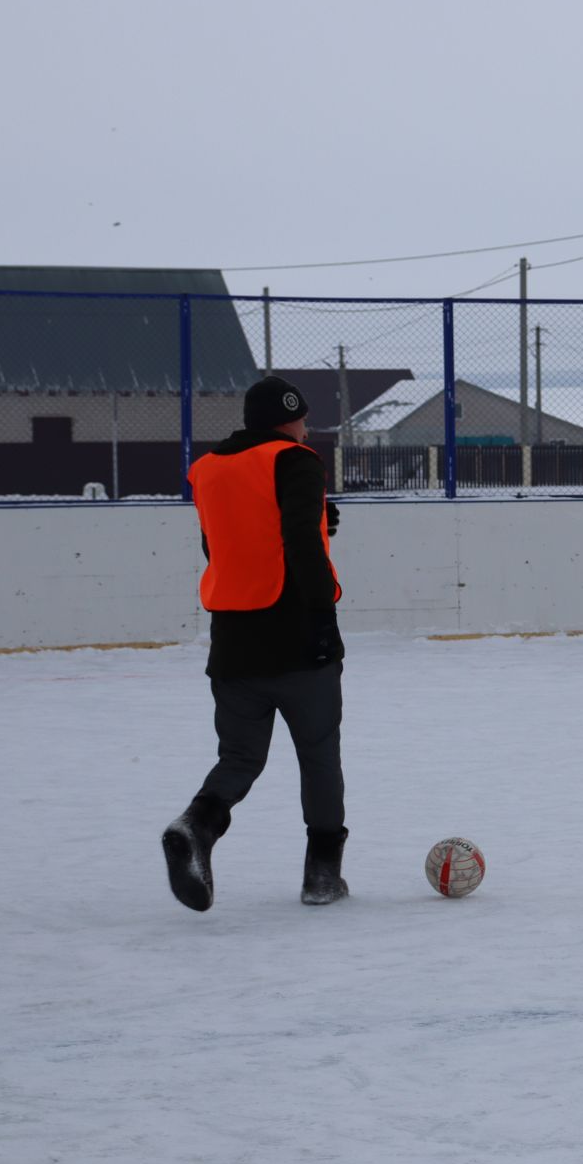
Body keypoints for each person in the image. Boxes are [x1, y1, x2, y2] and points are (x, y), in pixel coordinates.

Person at [161, 376, 348, 911]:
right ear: (289, 418)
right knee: (318, 755)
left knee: (240, 756)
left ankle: (195, 827)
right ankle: (322, 877)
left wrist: (315, 515)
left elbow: (221, 542)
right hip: (295, 635)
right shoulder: (296, 459)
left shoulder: (211, 468)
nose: (307, 429)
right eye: (304, 420)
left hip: (233, 640)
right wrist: (321, 615)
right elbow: (299, 542)